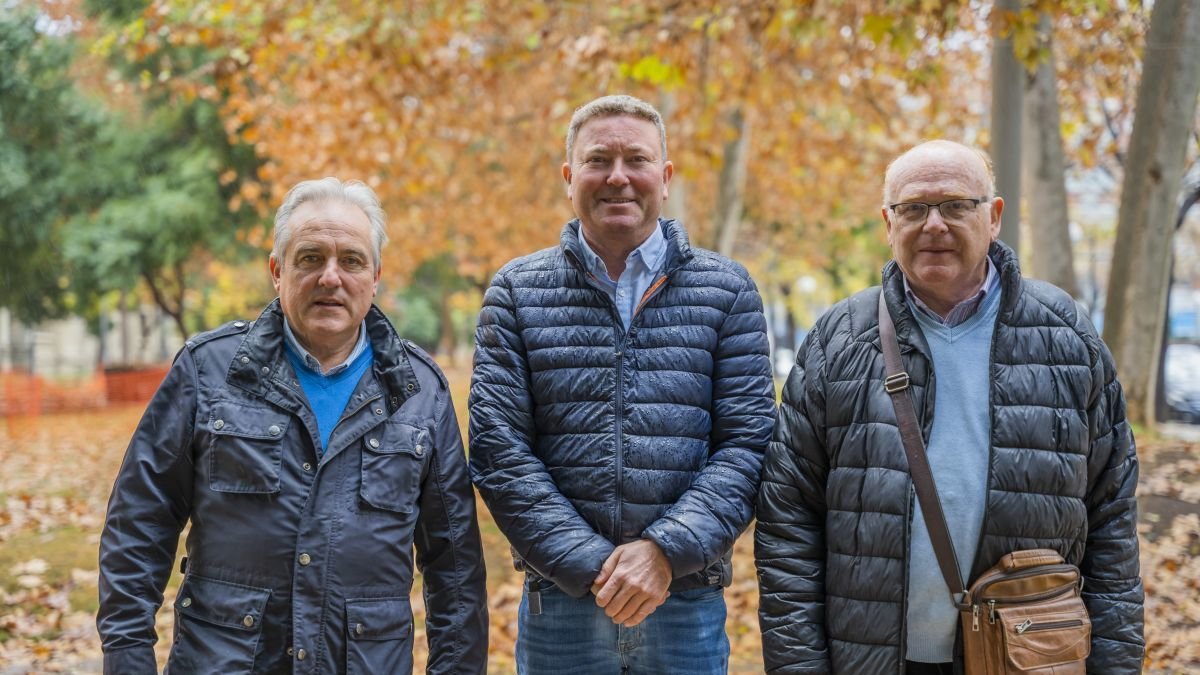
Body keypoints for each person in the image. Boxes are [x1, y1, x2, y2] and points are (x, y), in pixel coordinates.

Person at [755, 140, 1144, 674]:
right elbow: (788, 519)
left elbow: (1112, 518)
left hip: (1026, 658)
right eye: (913, 208)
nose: (933, 224)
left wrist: (1117, 665)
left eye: (956, 205)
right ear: (888, 223)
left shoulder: (1065, 336)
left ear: (995, 216)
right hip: (872, 659)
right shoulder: (838, 340)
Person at [97, 178, 488, 674]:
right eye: (310, 258)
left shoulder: (420, 391)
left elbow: (454, 567)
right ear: (277, 271)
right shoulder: (208, 370)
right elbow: (139, 523)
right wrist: (128, 659)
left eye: (351, 260)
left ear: (375, 277)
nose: (330, 277)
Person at [469, 94, 775, 674]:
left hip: (684, 600)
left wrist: (663, 553)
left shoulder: (728, 290)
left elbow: (750, 442)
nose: (617, 177)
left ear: (664, 177)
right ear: (568, 177)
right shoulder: (515, 291)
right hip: (561, 603)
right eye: (597, 160)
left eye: (636, 160)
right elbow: (498, 450)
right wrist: (592, 566)